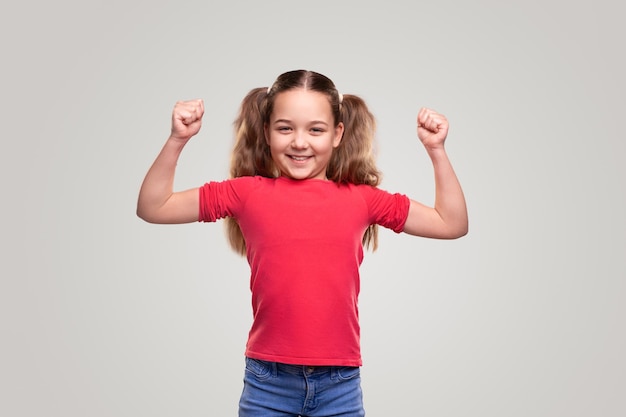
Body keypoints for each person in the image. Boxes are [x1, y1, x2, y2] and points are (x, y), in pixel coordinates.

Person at [137, 69, 468, 417]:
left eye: (315, 129)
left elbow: (451, 223)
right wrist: (177, 139)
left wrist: (436, 150)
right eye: (285, 128)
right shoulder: (246, 193)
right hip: (268, 381)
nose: (299, 142)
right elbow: (153, 207)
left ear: (337, 133)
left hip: (339, 383)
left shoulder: (363, 199)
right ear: (266, 132)